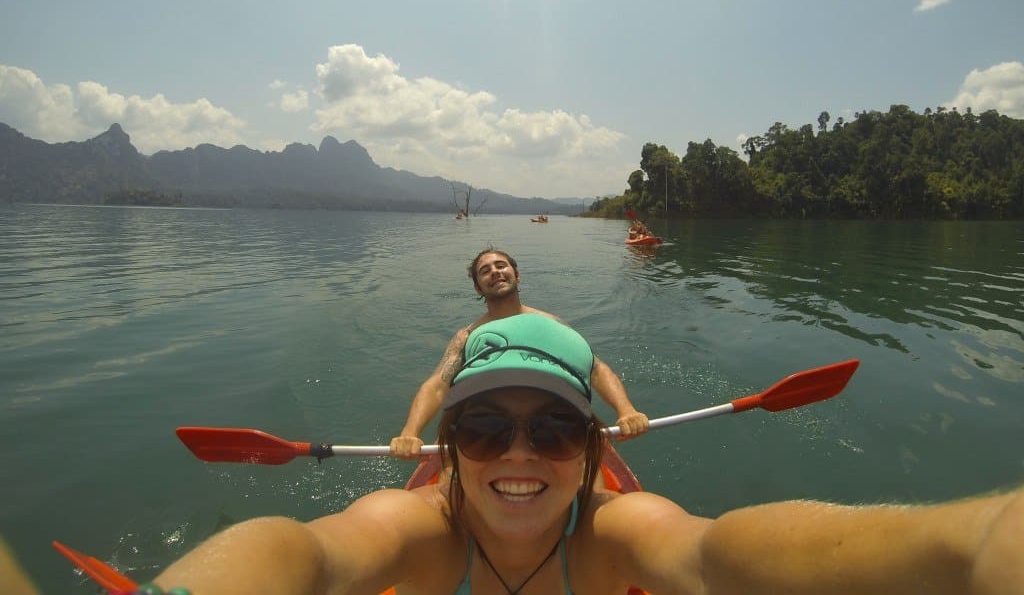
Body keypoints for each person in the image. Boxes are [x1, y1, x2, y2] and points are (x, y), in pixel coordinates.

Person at [150, 313, 1023, 594]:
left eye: (558, 430)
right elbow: (309, 550)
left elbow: (715, 556)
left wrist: (975, 540)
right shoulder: (414, 525)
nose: (519, 454)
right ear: (451, 448)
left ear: (591, 445)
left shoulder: (614, 531)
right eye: (484, 429)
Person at [390, 248, 649, 458]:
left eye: (501, 265)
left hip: (552, 421)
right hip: (486, 427)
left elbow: (595, 369)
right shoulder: (466, 337)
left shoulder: (552, 323)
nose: (495, 272)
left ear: (517, 274)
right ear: (478, 289)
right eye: (485, 271)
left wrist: (626, 411)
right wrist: (410, 432)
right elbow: (438, 385)